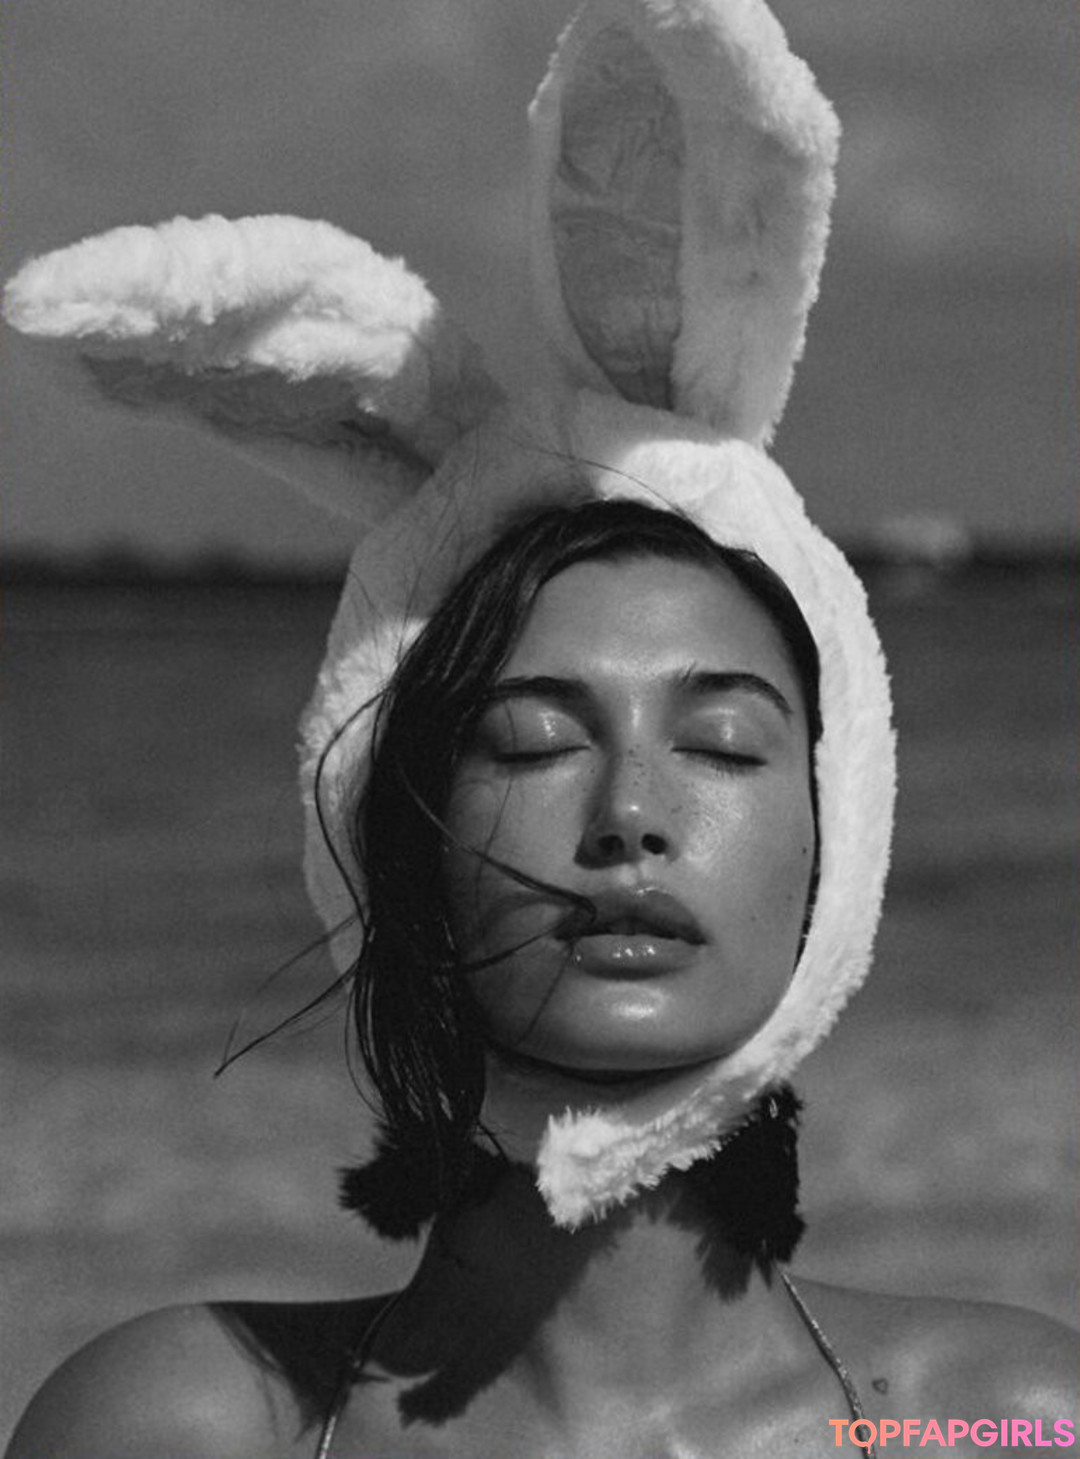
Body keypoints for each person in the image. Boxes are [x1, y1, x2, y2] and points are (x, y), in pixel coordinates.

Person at [3, 1, 1075, 1454]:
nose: (630, 814)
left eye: (723, 743)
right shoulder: (191, 1426)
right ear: (397, 839)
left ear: (841, 836)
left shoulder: (1001, 1425)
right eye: (530, 743)